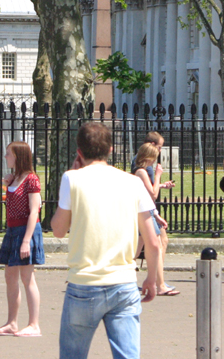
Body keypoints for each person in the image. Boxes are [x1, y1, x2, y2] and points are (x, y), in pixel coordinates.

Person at [50, 122, 160, 359]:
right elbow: (152, 241)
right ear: (111, 150)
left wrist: (73, 172)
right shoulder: (133, 182)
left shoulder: (72, 179)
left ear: (79, 152)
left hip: (84, 281)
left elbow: (58, 229)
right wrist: (151, 277)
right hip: (124, 281)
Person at [0, 141, 44, 337]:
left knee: (27, 277)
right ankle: (12, 322)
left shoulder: (31, 179)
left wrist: (26, 240)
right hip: (13, 229)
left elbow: (34, 212)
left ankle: (34, 324)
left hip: (25, 230)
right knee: (10, 276)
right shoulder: (14, 178)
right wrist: (9, 182)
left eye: (9, 154)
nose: (6, 157)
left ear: (19, 156)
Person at [132, 142, 178, 296]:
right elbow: (152, 194)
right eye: (153, 158)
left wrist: (156, 214)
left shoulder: (141, 172)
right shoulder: (141, 172)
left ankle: (155, 284)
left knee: (136, 250)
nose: (154, 162)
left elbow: (147, 196)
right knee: (153, 248)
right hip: (143, 213)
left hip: (146, 211)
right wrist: (158, 175)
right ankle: (160, 285)